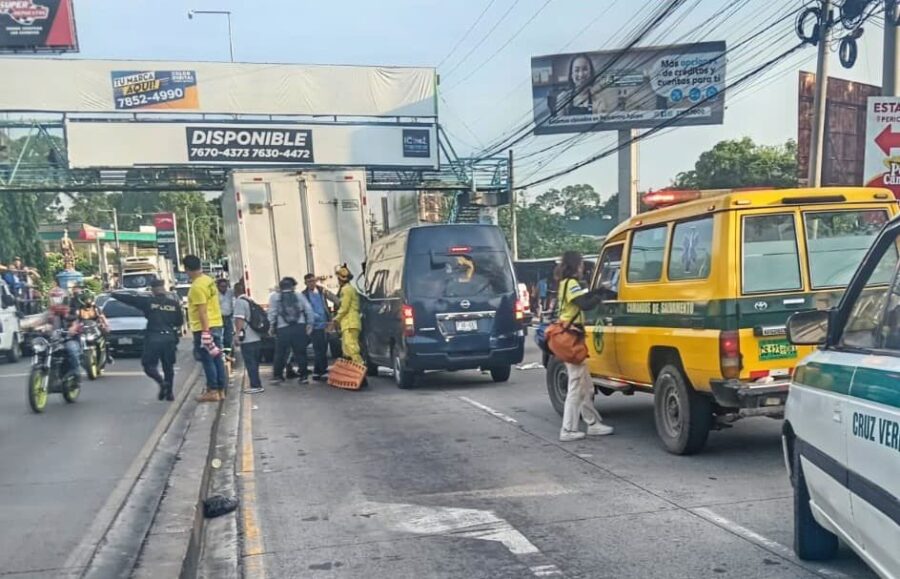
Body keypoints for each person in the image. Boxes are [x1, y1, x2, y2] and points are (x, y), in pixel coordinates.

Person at [556, 250, 614, 442]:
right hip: (571, 339)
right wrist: (600, 295)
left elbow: (584, 297)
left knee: (586, 386)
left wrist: (599, 291)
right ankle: (568, 429)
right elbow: (584, 304)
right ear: (575, 266)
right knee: (576, 385)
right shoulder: (571, 284)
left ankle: (593, 423)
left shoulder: (567, 284)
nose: (582, 268)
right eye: (580, 264)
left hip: (571, 337)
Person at [113, 280, 184, 401]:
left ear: (153, 290)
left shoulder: (148, 302)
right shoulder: (174, 304)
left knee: (148, 366)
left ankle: (162, 383)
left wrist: (113, 294)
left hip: (153, 337)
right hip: (169, 338)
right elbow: (179, 322)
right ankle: (170, 393)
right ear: (163, 288)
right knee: (168, 367)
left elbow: (131, 300)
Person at [183, 254, 227, 402]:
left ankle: (213, 390)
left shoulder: (197, 287)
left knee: (207, 360)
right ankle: (221, 390)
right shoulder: (208, 280)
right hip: (217, 323)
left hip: (204, 328)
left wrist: (205, 332)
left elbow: (202, 311)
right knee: (217, 358)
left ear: (187, 269)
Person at [268, 277, 315, 384]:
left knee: (280, 352)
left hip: (282, 328)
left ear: (280, 287)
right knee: (300, 352)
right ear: (292, 286)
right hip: (299, 327)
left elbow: (272, 313)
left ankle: (278, 376)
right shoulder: (299, 296)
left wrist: (271, 326)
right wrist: (310, 324)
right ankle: (303, 376)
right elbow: (308, 309)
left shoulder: (275, 297)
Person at [302, 273, 338, 381]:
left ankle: (317, 371)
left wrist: (341, 305)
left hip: (325, 323)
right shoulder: (304, 295)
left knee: (323, 347)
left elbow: (333, 298)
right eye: (309, 282)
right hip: (314, 325)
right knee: (319, 348)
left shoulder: (322, 291)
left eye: (313, 281)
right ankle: (322, 370)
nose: (312, 283)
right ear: (306, 283)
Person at [233, 280, 264, 394]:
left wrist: (237, 335)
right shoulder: (250, 300)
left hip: (247, 338)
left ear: (236, 291)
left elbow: (239, 319)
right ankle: (257, 383)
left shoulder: (240, 302)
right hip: (256, 336)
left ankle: (256, 385)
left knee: (250, 363)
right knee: (255, 363)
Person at [329, 264, 363, 365]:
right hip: (350, 323)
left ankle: (360, 372)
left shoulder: (346, 290)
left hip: (350, 323)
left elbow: (344, 308)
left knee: (351, 349)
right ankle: (355, 374)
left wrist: (335, 320)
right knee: (347, 350)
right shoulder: (349, 289)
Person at [217, 277, 235, 352]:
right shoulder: (215, 294)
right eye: (222, 286)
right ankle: (220, 350)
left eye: (225, 286)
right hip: (219, 317)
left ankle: (228, 351)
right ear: (218, 286)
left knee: (228, 335)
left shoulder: (230, 292)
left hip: (228, 316)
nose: (224, 288)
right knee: (219, 336)